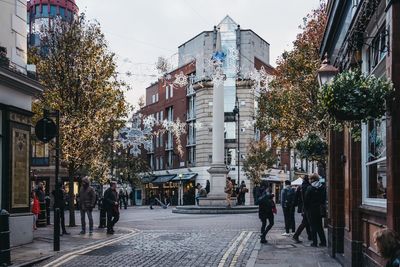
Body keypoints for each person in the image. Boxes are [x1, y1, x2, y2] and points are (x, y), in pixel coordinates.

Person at [304, 173, 327, 247]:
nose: (309, 180)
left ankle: (314, 242)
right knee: (320, 226)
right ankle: (323, 242)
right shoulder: (322, 187)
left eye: (310, 179)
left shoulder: (310, 188)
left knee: (313, 226)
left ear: (313, 179)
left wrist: (305, 209)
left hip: (311, 209)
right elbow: (324, 199)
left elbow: (306, 200)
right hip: (319, 209)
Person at [292, 175, 312, 243]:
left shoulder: (300, 187)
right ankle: (296, 235)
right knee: (305, 222)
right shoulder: (309, 187)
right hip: (307, 206)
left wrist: (294, 205)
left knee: (306, 221)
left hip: (303, 207)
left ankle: (310, 236)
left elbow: (295, 197)